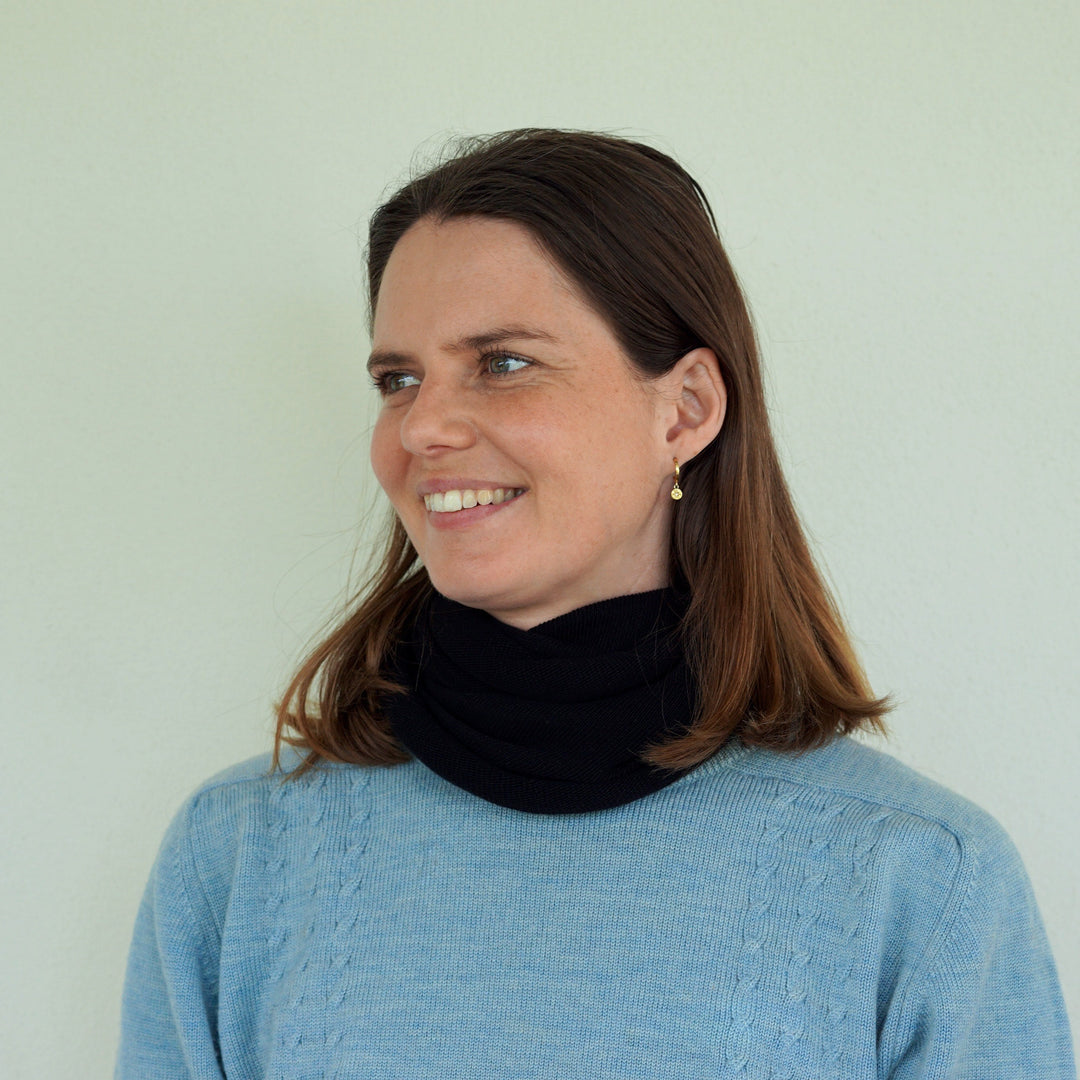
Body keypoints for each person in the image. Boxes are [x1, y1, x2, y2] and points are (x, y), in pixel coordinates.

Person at [115, 128, 1075, 1079]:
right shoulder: (238, 857)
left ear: (686, 410)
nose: (423, 427)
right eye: (398, 380)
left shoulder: (919, 881)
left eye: (503, 362)